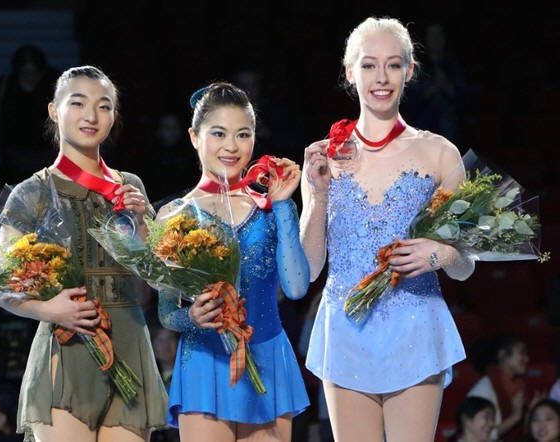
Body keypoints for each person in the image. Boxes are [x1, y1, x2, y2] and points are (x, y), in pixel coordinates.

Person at [300, 17, 476, 442]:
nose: (381, 78)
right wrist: (318, 195)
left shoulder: (439, 153)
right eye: (369, 65)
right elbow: (308, 270)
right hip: (345, 329)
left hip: (416, 326)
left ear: (409, 71)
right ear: (350, 72)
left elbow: (466, 266)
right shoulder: (323, 157)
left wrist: (442, 254)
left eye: (393, 65)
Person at [0, 66, 167, 442]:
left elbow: (160, 280)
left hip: (130, 345)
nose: (91, 116)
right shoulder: (31, 193)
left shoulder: (130, 188)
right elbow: (0, 286)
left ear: (114, 116)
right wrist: (49, 310)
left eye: (103, 106)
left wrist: (140, 227)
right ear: (54, 111)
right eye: (78, 103)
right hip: (66, 347)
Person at [158, 82, 310, 442]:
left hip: (267, 355)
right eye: (219, 134)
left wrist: (284, 204)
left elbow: (296, 287)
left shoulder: (271, 209)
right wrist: (192, 317)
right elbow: (166, 312)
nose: (231, 146)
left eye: (243, 134)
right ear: (194, 137)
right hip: (205, 361)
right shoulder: (173, 216)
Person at [0, 45, 60, 192]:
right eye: (25, 72)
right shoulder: (8, 84)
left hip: (46, 159)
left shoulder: (53, 84)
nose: (30, 77)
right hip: (13, 160)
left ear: (41, 71)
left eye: (34, 73)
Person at [467, 335, 545, 441]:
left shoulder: (518, 386)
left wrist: (531, 411)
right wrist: (516, 415)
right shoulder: (484, 390)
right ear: (503, 354)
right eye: (522, 352)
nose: (527, 359)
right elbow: (478, 435)